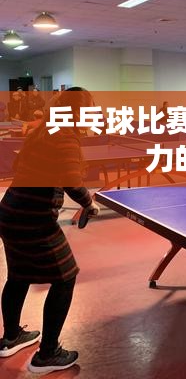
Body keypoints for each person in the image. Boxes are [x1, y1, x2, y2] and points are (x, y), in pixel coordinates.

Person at [0, 87, 100, 372]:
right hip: (33, 219)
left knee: (18, 275)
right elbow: (72, 181)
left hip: (9, 212)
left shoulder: (44, 131)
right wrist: (89, 203)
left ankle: (11, 337)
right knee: (66, 277)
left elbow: (23, 166)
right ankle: (48, 354)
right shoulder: (66, 136)